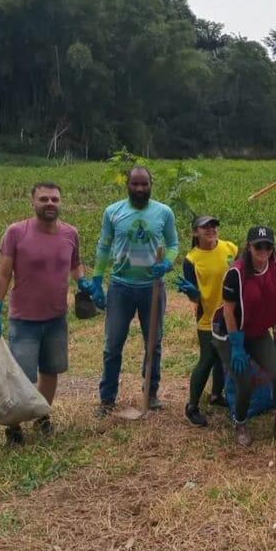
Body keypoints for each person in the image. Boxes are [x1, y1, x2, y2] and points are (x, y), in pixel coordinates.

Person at [0, 182, 86, 445]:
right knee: (20, 377)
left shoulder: (70, 233)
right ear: (33, 202)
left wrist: (85, 284)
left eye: (54, 199)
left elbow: (75, 265)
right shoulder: (16, 232)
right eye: (44, 199)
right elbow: (3, 273)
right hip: (24, 320)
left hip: (56, 318)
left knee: (50, 372)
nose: (50, 204)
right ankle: (13, 427)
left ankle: (42, 418)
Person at [91, 166, 179, 417]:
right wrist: (97, 279)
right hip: (120, 287)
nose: (140, 189)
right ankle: (107, 399)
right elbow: (103, 247)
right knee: (112, 345)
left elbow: (173, 244)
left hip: (152, 288)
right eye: (135, 184)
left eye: (144, 184)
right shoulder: (113, 212)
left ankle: (150, 394)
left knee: (153, 343)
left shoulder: (164, 212)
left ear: (151, 184)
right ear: (127, 185)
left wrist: (167, 263)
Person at [212, 226, 276, 446]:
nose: (263, 250)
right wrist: (236, 345)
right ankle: (240, 422)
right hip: (231, 333)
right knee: (245, 383)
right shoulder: (236, 273)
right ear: (248, 246)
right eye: (258, 246)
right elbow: (228, 310)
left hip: (258, 332)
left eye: (268, 246)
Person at [177, 215, 238, 427]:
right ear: (195, 233)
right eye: (205, 227)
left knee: (223, 357)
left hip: (230, 314)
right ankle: (191, 406)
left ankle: (216, 395)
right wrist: (193, 293)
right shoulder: (192, 260)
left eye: (213, 226)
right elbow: (193, 297)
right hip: (208, 317)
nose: (211, 229)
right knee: (208, 359)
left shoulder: (230, 248)